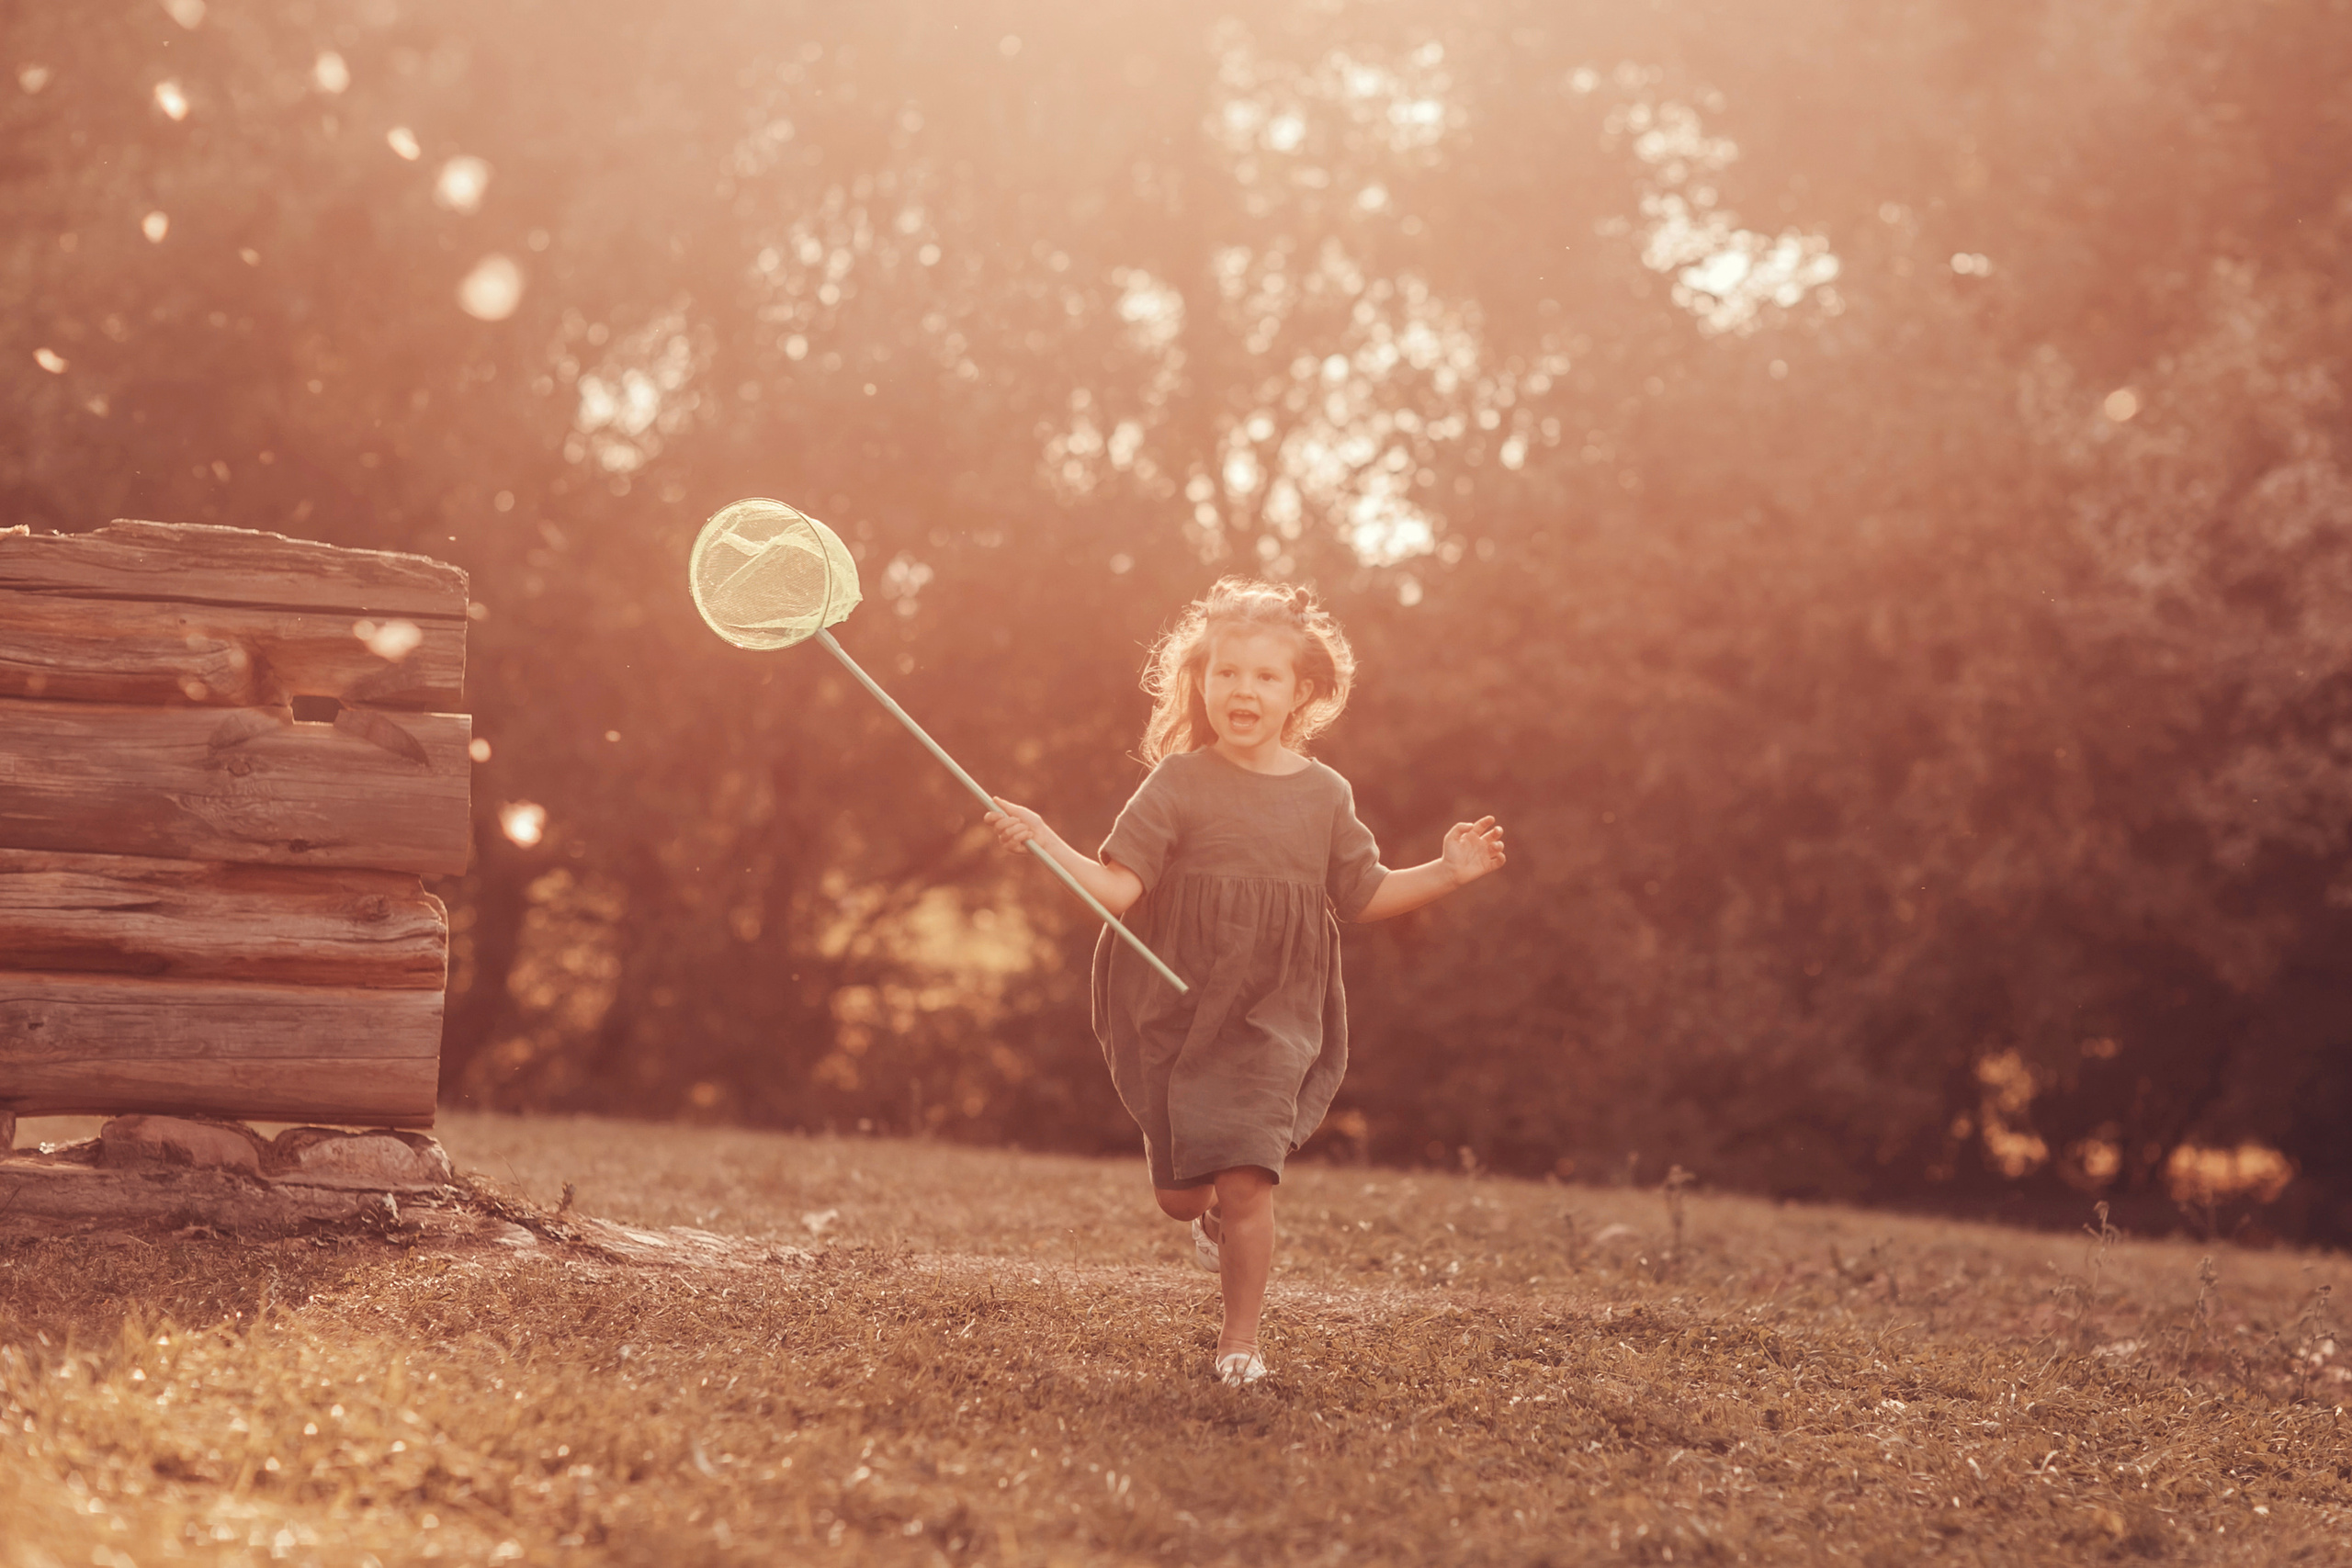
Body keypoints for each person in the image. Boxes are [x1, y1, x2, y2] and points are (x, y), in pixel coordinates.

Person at [986, 577, 1506, 1388]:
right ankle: (1208, 1221)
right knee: (1184, 1199)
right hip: (1176, 999)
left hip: (1276, 1006)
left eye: (1265, 677)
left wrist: (1447, 870)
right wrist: (1047, 837)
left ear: (1299, 692)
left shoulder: (1325, 793)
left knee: (1247, 1176)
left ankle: (1239, 1342)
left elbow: (1363, 894)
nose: (1243, 690)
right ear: (1203, 680)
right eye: (1228, 672)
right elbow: (1120, 890)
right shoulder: (1179, 783)